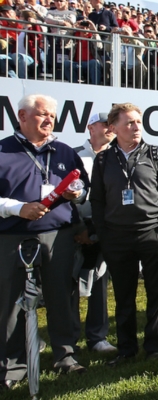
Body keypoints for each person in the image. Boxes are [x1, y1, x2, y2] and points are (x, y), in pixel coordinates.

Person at [0, 94, 89, 391]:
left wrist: (77, 192)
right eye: (42, 115)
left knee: (61, 295)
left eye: (52, 115)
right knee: (11, 302)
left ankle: (65, 354)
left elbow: (83, 185)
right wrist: (17, 208)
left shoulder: (63, 151)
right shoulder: (2, 150)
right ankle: (13, 365)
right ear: (22, 116)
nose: (49, 120)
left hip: (57, 235)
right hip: (12, 235)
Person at [90, 103, 158, 366]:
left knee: (156, 295)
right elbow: (98, 201)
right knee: (124, 297)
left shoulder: (155, 153)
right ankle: (126, 350)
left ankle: (154, 347)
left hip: (153, 235)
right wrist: (104, 234)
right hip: (117, 238)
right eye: (129, 123)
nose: (136, 126)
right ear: (113, 129)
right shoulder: (103, 160)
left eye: (138, 122)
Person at [72, 112, 117, 353]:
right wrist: (80, 229)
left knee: (100, 282)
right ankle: (68, 339)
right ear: (90, 127)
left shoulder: (116, 156)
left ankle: (97, 337)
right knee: (69, 284)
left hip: (106, 228)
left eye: (112, 124)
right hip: (76, 228)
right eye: (105, 123)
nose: (110, 128)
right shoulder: (74, 155)